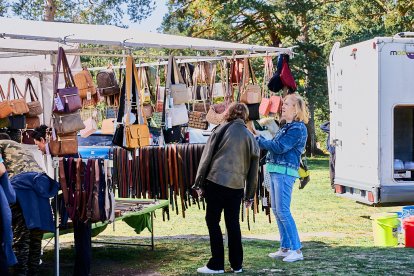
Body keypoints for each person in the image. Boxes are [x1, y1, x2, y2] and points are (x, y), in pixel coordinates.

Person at [193, 102, 260, 274]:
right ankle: (237, 265)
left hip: (216, 181)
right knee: (233, 224)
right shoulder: (250, 136)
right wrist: (250, 196)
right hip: (236, 187)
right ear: (245, 116)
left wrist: (199, 183)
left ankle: (216, 264)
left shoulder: (220, 129)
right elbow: (254, 172)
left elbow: (206, 158)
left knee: (212, 221)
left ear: (228, 113)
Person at [255, 93, 308, 262]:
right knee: (278, 211)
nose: (282, 106)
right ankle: (285, 248)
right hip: (277, 170)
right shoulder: (286, 126)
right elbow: (275, 143)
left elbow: (279, 147)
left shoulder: (297, 128)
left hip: (285, 172)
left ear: (296, 109)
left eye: (286, 104)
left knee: (283, 211)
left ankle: (296, 250)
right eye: (283, 103)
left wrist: (258, 141)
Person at [32, 125, 92, 276]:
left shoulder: (60, 153)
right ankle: (82, 272)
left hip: (80, 201)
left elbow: (68, 181)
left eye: (37, 144)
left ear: (43, 140)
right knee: (82, 240)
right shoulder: (62, 151)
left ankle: (82, 273)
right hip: (79, 200)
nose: (38, 148)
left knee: (83, 240)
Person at [0, 133, 59, 275]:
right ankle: (33, 272)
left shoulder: (0, 144)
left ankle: (21, 273)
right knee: (35, 236)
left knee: (21, 237)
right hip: (41, 185)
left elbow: (1, 170)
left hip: (21, 187)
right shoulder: (19, 147)